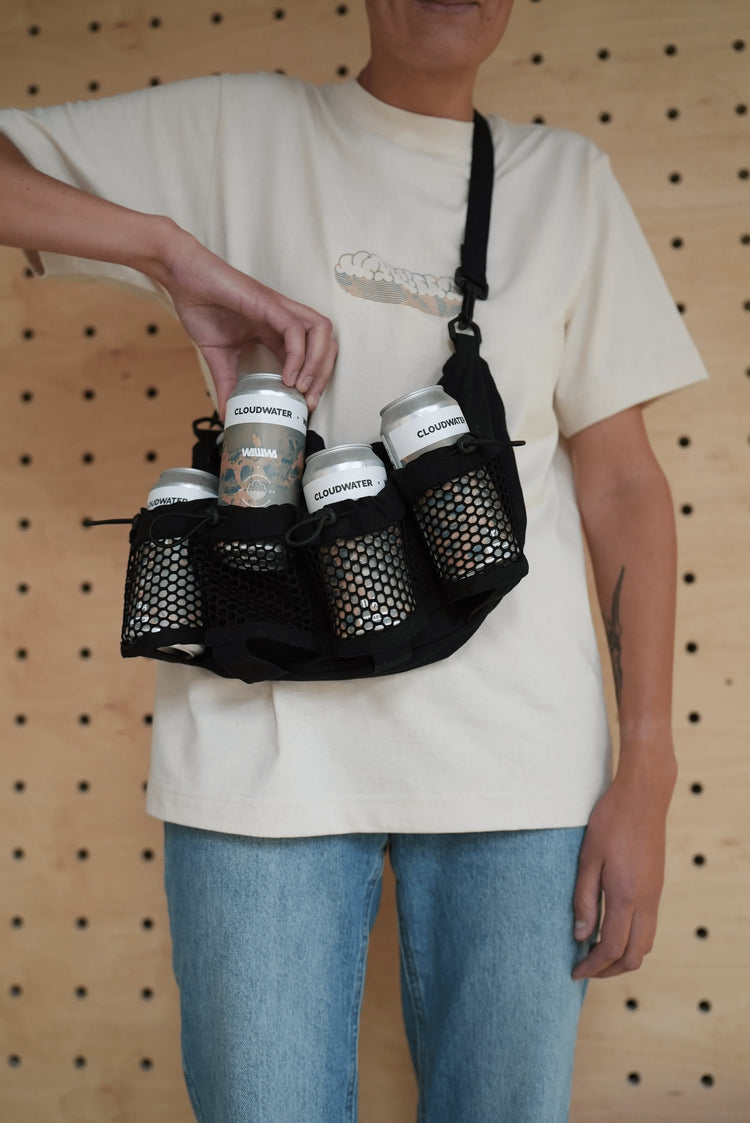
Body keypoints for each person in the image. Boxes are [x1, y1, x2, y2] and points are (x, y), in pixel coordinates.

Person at [0, 1, 708, 1119]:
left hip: (519, 765)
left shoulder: (565, 181)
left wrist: (649, 769)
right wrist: (165, 248)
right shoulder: (233, 129)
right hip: (260, 752)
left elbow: (625, 486)